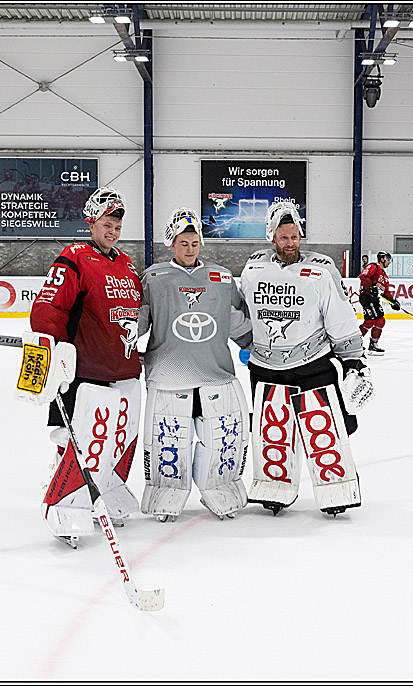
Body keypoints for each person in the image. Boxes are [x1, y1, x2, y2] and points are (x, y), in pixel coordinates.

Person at [18, 186, 143, 547]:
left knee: (117, 439)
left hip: (122, 369)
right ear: (91, 222)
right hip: (85, 371)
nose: (113, 231)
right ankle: (67, 505)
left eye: (117, 226)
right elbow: (48, 310)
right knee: (83, 440)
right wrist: (52, 353)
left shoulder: (126, 264)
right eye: (107, 224)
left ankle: (105, 490)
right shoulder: (73, 258)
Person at [239, 202, 374, 516]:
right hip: (265, 368)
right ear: (272, 238)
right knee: (273, 431)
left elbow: (339, 316)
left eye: (295, 236)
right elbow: (244, 310)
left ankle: (336, 489)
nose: (290, 243)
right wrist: (245, 341)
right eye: (283, 237)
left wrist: (352, 360)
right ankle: (274, 487)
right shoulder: (253, 269)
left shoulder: (321, 270)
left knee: (325, 429)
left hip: (313, 364)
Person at [138, 208, 253, 522]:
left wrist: (252, 345)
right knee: (168, 441)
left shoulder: (221, 277)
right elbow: (136, 322)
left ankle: (220, 488)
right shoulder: (154, 278)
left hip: (215, 373)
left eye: (194, 243)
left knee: (222, 440)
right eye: (183, 243)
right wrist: (117, 347)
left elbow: (237, 319)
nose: (190, 249)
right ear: (172, 244)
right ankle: (166, 494)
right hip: (168, 375)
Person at [358, 251, 400, 356]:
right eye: (388, 260)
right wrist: (371, 286)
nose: (389, 262)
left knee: (380, 321)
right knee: (370, 322)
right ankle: (355, 344)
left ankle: (373, 345)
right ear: (382, 259)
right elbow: (363, 276)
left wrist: (393, 301)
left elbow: (386, 292)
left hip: (375, 299)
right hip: (367, 297)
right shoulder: (374, 266)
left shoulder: (385, 276)